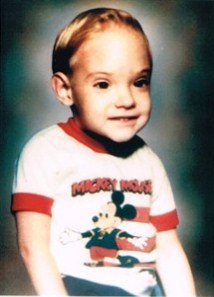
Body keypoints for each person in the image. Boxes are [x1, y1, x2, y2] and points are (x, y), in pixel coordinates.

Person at [11, 7, 196, 296]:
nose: (126, 99)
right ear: (64, 89)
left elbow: (169, 249)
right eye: (103, 84)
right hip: (81, 286)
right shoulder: (45, 152)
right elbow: (33, 247)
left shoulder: (148, 161)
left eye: (139, 82)